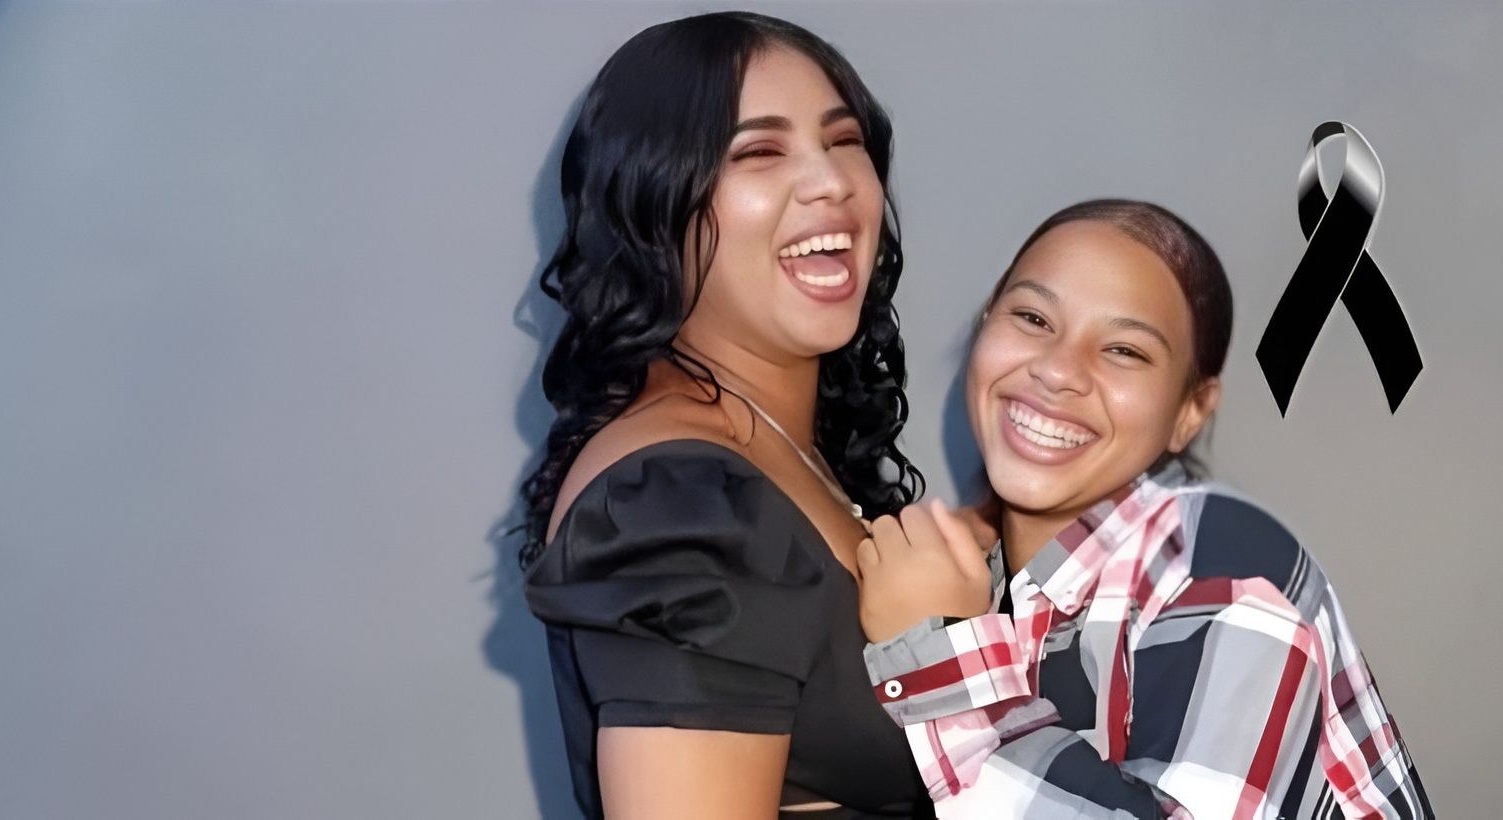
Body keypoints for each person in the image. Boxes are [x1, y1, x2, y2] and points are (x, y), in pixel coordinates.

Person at [855, 200, 1433, 818]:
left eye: (1125, 351)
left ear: (1190, 411)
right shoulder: (991, 576)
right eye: (1032, 317)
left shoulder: (1228, 572)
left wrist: (943, 652)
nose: (1057, 370)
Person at [518, 12, 931, 818]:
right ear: (654, 205)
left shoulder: (773, 451)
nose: (831, 181)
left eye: (844, 140)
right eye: (759, 153)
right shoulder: (678, 508)